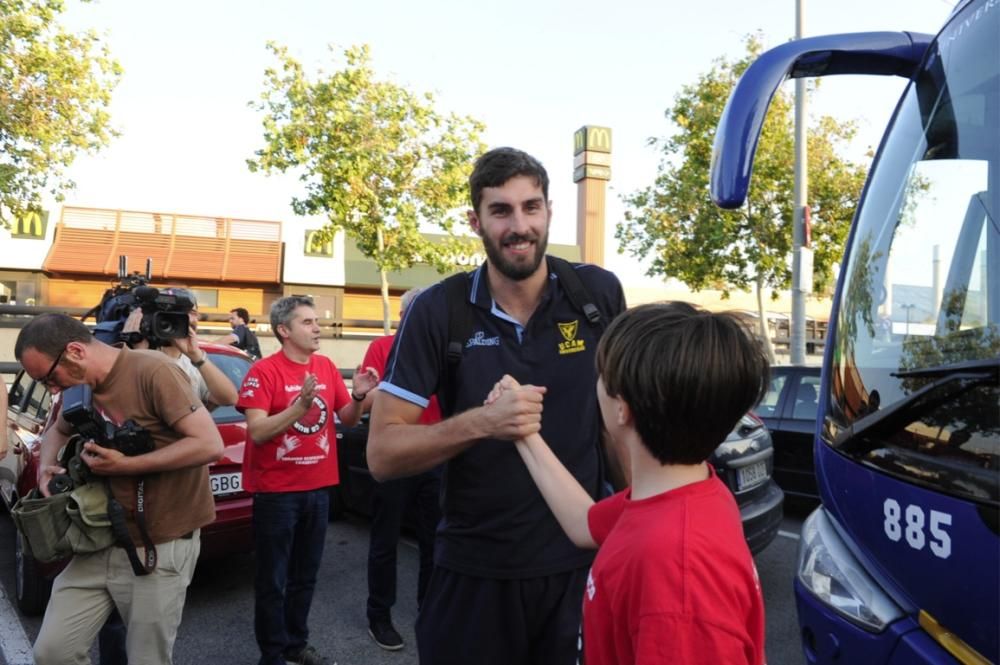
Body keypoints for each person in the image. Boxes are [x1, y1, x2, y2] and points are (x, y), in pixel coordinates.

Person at [367, 147, 626, 664]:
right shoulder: (440, 310)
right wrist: (484, 422)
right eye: (501, 211)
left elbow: (617, 428)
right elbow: (382, 454)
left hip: (579, 565)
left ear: (549, 211)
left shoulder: (596, 294)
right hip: (474, 571)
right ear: (475, 221)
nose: (519, 226)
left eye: (531, 207)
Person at [490, 302, 769, 665]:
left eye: (603, 375)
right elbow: (584, 523)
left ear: (622, 409)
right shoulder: (694, 494)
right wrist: (523, 431)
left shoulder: (675, 574)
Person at [14, 313, 224, 665]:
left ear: (76, 351)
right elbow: (57, 431)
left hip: (160, 544)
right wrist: (45, 470)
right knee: (52, 652)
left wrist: (126, 466)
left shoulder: (152, 371)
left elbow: (209, 444)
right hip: (98, 540)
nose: (52, 389)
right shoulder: (78, 387)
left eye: (49, 378)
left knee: (146, 659)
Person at [237, 295, 379, 665]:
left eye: (317, 321)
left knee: (305, 577)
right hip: (276, 495)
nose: (317, 328)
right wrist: (299, 406)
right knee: (272, 582)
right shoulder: (264, 372)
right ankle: (272, 655)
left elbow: (347, 418)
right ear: (284, 330)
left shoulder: (327, 366)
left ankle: (295, 644)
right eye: (308, 322)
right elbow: (257, 432)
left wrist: (360, 394)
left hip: (318, 490)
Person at [99, 289, 239, 665]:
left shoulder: (193, 365)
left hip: (176, 499)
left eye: (190, 314)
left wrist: (198, 355)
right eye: (176, 315)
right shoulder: (136, 359)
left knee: (152, 618)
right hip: (130, 497)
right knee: (118, 611)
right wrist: (133, 345)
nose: (186, 321)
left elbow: (228, 396)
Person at [359, 287, 441, 651]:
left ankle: (430, 609)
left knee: (434, 542)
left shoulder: (444, 344)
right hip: (395, 455)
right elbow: (366, 400)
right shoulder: (381, 346)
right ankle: (379, 615)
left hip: (437, 455)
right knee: (385, 540)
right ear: (409, 313)